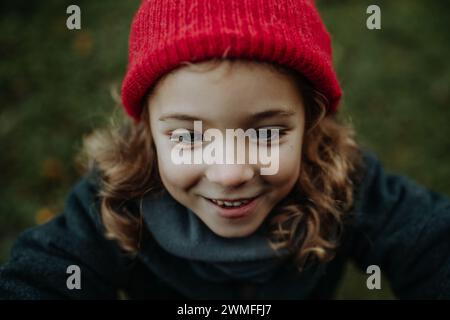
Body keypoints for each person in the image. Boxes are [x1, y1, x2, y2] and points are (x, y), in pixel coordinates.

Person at [1, 0, 449, 299]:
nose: (230, 172)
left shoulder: (348, 184)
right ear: (148, 131)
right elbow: (49, 271)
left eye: (267, 133)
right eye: (189, 136)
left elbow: (431, 243)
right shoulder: (115, 200)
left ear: (311, 122)